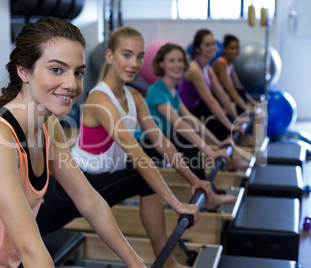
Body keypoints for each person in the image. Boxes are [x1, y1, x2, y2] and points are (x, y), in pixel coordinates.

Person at [0, 17, 146, 268]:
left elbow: (91, 202)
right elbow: (31, 250)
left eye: (78, 73)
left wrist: (136, 262)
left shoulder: (48, 126)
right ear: (24, 71)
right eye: (56, 69)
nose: (71, 84)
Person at [37, 26, 204, 268]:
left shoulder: (134, 96)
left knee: (35, 226)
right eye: (126, 55)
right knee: (142, 177)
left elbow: (162, 143)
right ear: (109, 56)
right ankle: (167, 263)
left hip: (98, 182)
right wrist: (176, 203)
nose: (134, 63)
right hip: (72, 186)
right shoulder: (100, 99)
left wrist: (193, 180)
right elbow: (136, 153)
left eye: (139, 57)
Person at [134, 43, 248, 194]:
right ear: (161, 63)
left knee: (189, 139)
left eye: (180, 60)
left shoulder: (172, 89)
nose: (178, 65)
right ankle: (208, 193)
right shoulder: (157, 90)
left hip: (161, 138)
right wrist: (210, 153)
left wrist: (218, 143)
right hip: (144, 144)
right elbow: (179, 123)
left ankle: (208, 189)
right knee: (187, 141)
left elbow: (190, 118)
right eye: (172, 60)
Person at [178, 29, 249, 141]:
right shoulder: (195, 68)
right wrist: (230, 126)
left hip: (195, 107)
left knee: (219, 106)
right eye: (207, 45)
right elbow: (210, 101)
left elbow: (222, 95)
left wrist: (236, 119)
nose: (212, 48)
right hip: (183, 112)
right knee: (214, 112)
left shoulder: (208, 69)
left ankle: (229, 143)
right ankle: (223, 146)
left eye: (213, 44)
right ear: (197, 48)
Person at [212, 34, 257, 115]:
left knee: (240, 91)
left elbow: (238, 86)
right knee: (235, 93)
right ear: (224, 49)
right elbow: (229, 88)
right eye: (232, 48)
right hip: (213, 96)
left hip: (220, 95)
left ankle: (243, 116)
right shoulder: (221, 63)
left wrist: (253, 103)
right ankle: (241, 117)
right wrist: (246, 108)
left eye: (237, 48)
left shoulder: (229, 64)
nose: (235, 51)